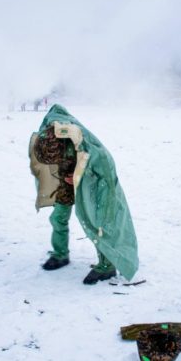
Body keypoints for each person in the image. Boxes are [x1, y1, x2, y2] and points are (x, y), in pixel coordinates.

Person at [29, 104, 138, 284]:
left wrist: (80, 175)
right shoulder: (47, 136)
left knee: (98, 222)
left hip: (91, 182)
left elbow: (103, 170)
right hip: (64, 182)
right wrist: (62, 175)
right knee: (58, 217)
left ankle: (107, 266)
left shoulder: (86, 145)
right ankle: (60, 254)